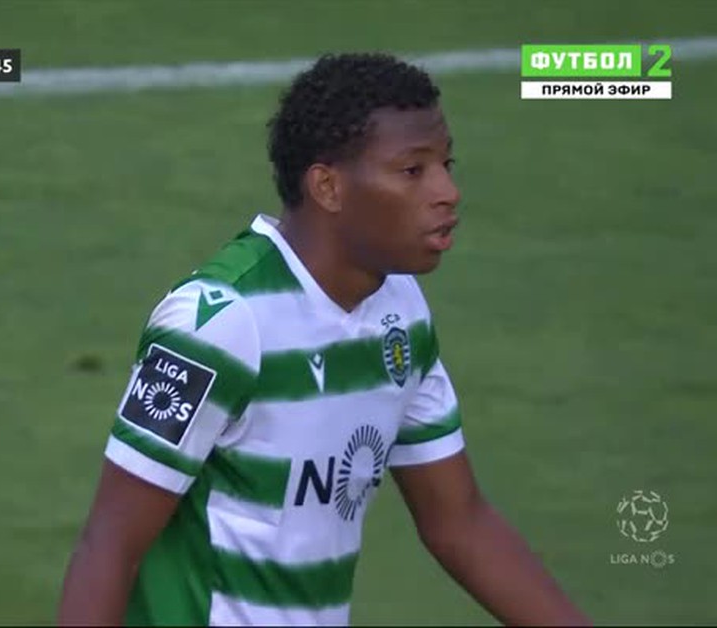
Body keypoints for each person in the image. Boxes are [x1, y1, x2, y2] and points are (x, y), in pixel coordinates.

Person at [58, 52, 590, 627]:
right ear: (329, 187)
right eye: (413, 171)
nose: (448, 191)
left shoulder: (401, 312)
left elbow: (459, 522)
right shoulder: (219, 324)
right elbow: (110, 544)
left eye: (446, 163)